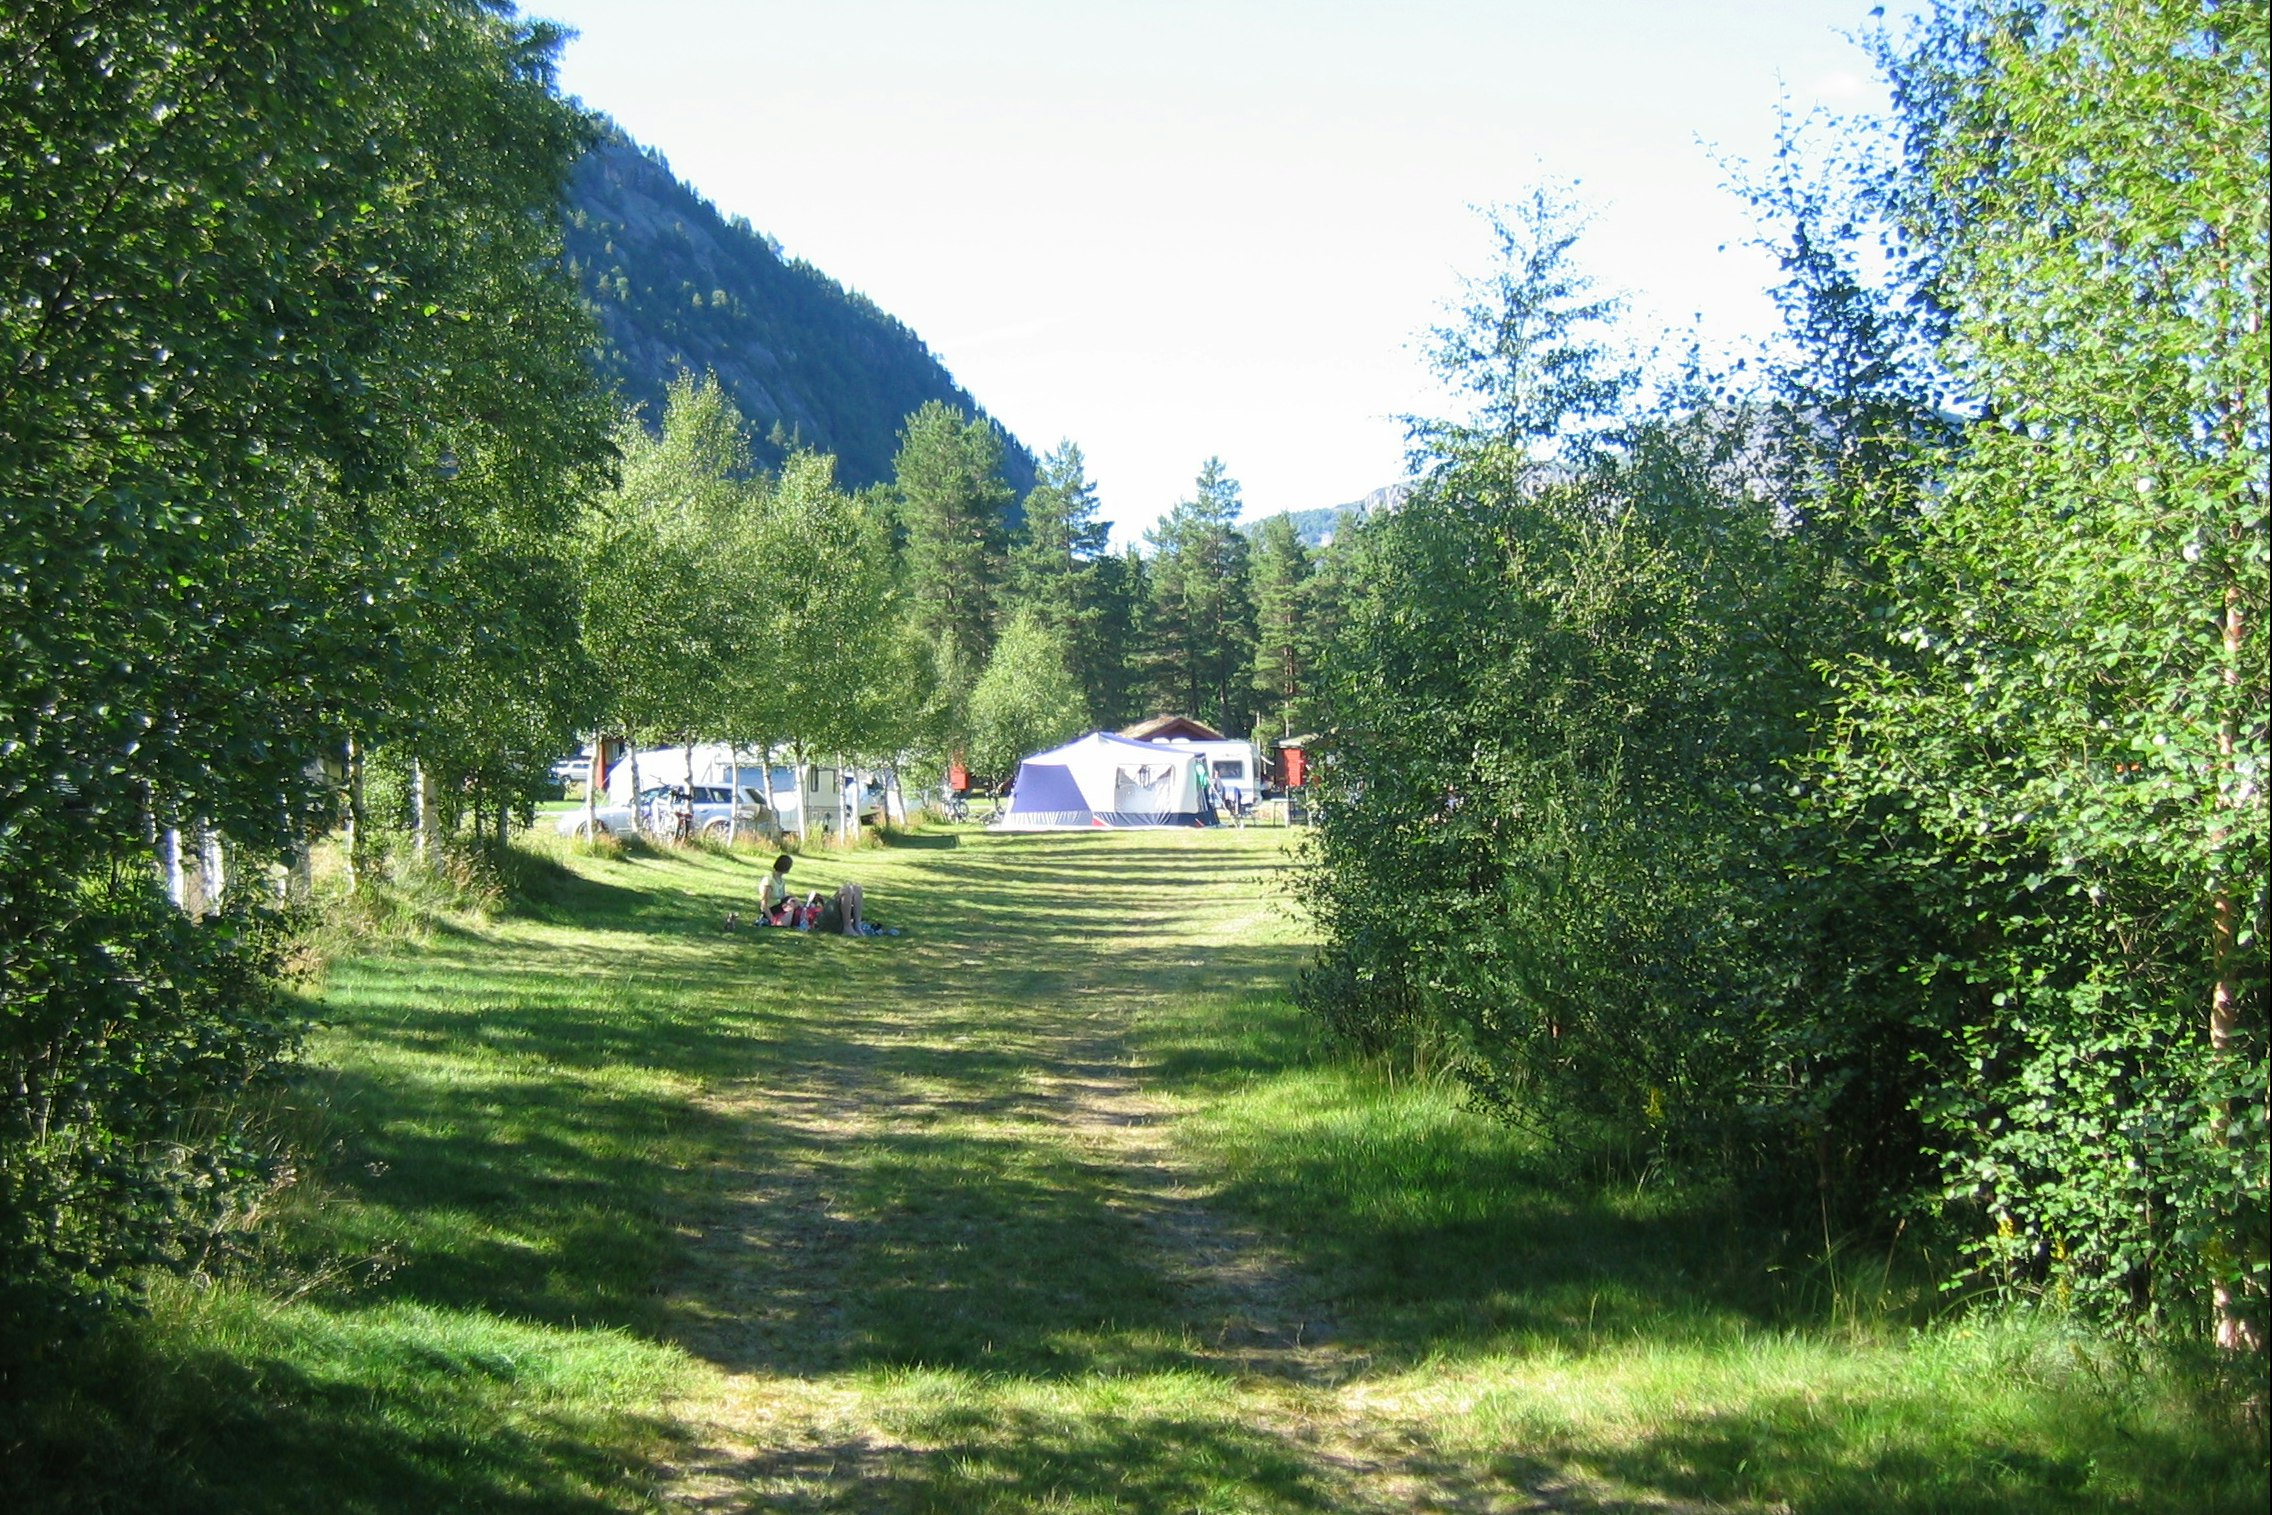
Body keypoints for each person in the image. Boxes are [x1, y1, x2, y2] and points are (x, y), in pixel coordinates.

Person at [758, 853, 796, 925]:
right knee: (792, 903)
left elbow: (782, 897)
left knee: (793, 900)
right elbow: (764, 905)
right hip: (770, 909)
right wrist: (772, 920)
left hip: (778, 906)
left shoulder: (782, 881)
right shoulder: (769, 881)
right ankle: (779, 923)